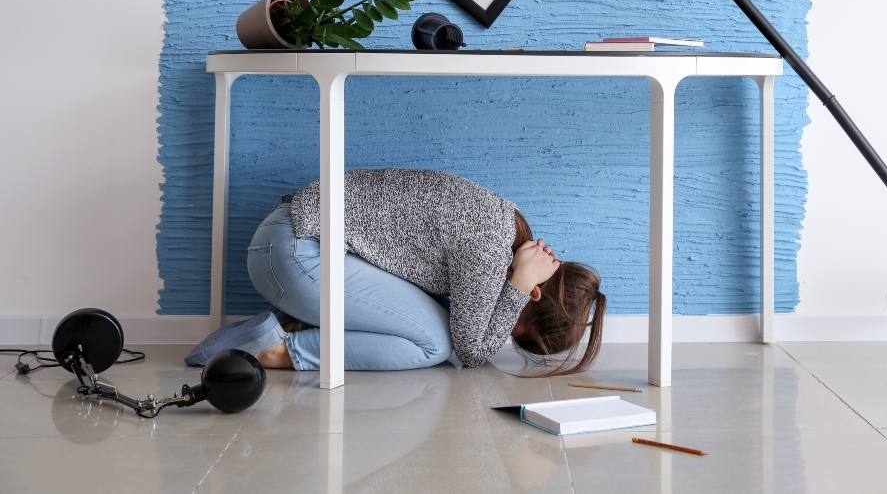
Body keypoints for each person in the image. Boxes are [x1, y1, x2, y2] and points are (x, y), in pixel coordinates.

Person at [185, 168, 606, 376]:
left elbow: (471, 331)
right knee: (435, 344)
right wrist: (517, 285)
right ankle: (277, 351)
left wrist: (518, 283)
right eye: (516, 328)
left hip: (292, 244)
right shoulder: (490, 248)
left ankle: (284, 326)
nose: (502, 329)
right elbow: (472, 351)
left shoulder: (501, 228)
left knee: (439, 321)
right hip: (295, 252)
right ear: (534, 294)